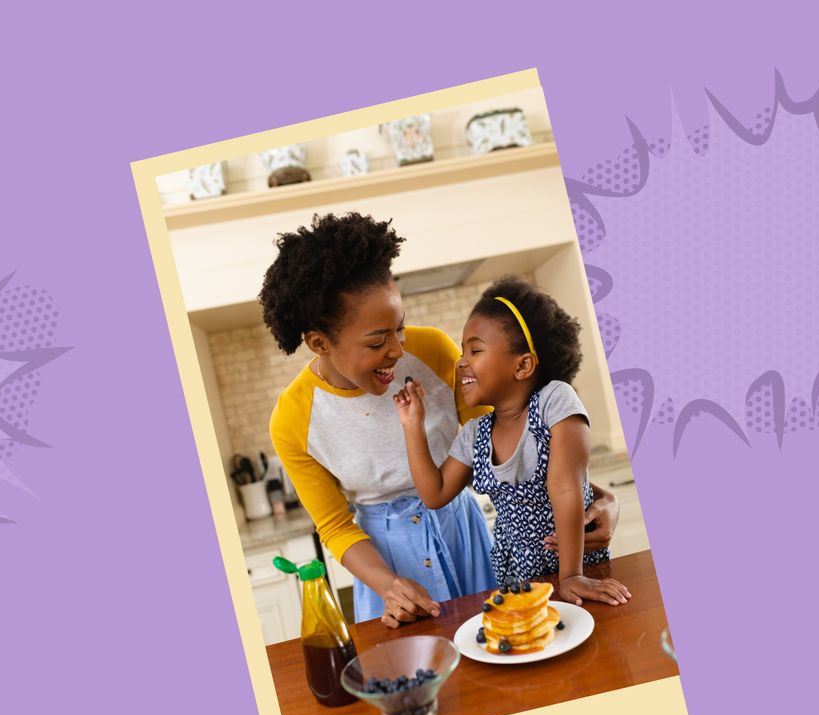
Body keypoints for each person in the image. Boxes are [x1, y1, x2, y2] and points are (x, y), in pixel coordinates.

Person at [262, 213, 619, 625]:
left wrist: (601, 498)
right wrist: (386, 584)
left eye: (400, 329)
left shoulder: (433, 352)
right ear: (319, 342)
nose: (397, 349)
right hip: (386, 564)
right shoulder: (293, 419)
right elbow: (335, 527)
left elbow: (509, 445)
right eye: (378, 341)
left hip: (465, 537)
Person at [394, 276, 631, 607]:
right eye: (463, 350)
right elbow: (434, 493)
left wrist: (571, 576)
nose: (462, 360)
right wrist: (411, 425)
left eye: (475, 349)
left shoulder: (554, 402)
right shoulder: (475, 434)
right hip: (516, 576)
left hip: (577, 569)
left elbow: (566, 487)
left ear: (523, 366)